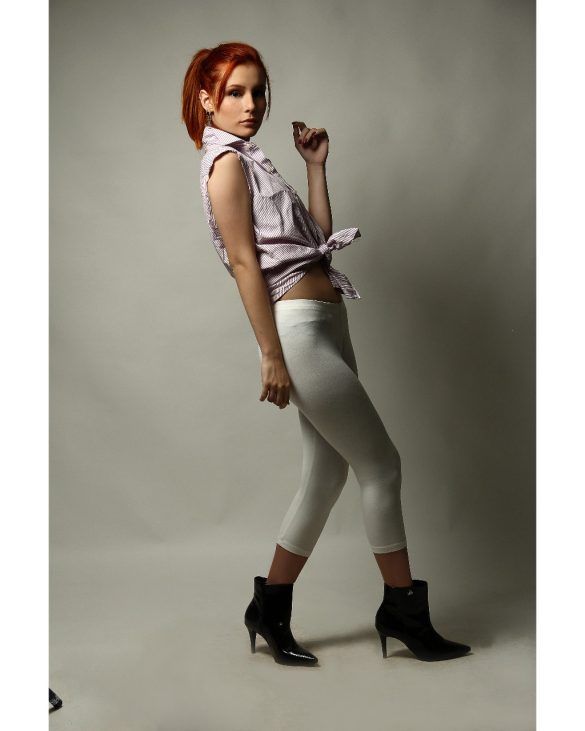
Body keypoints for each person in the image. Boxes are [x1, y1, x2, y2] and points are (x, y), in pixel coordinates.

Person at [181, 42, 471, 666]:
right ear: (206, 100)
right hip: (296, 333)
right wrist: (270, 354)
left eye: (258, 91)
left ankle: (269, 607)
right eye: (235, 92)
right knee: (382, 466)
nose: (251, 104)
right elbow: (243, 264)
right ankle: (402, 610)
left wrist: (314, 168)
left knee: (326, 476)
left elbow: (317, 244)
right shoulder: (226, 166)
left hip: (326, 323)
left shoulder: (256, 163)